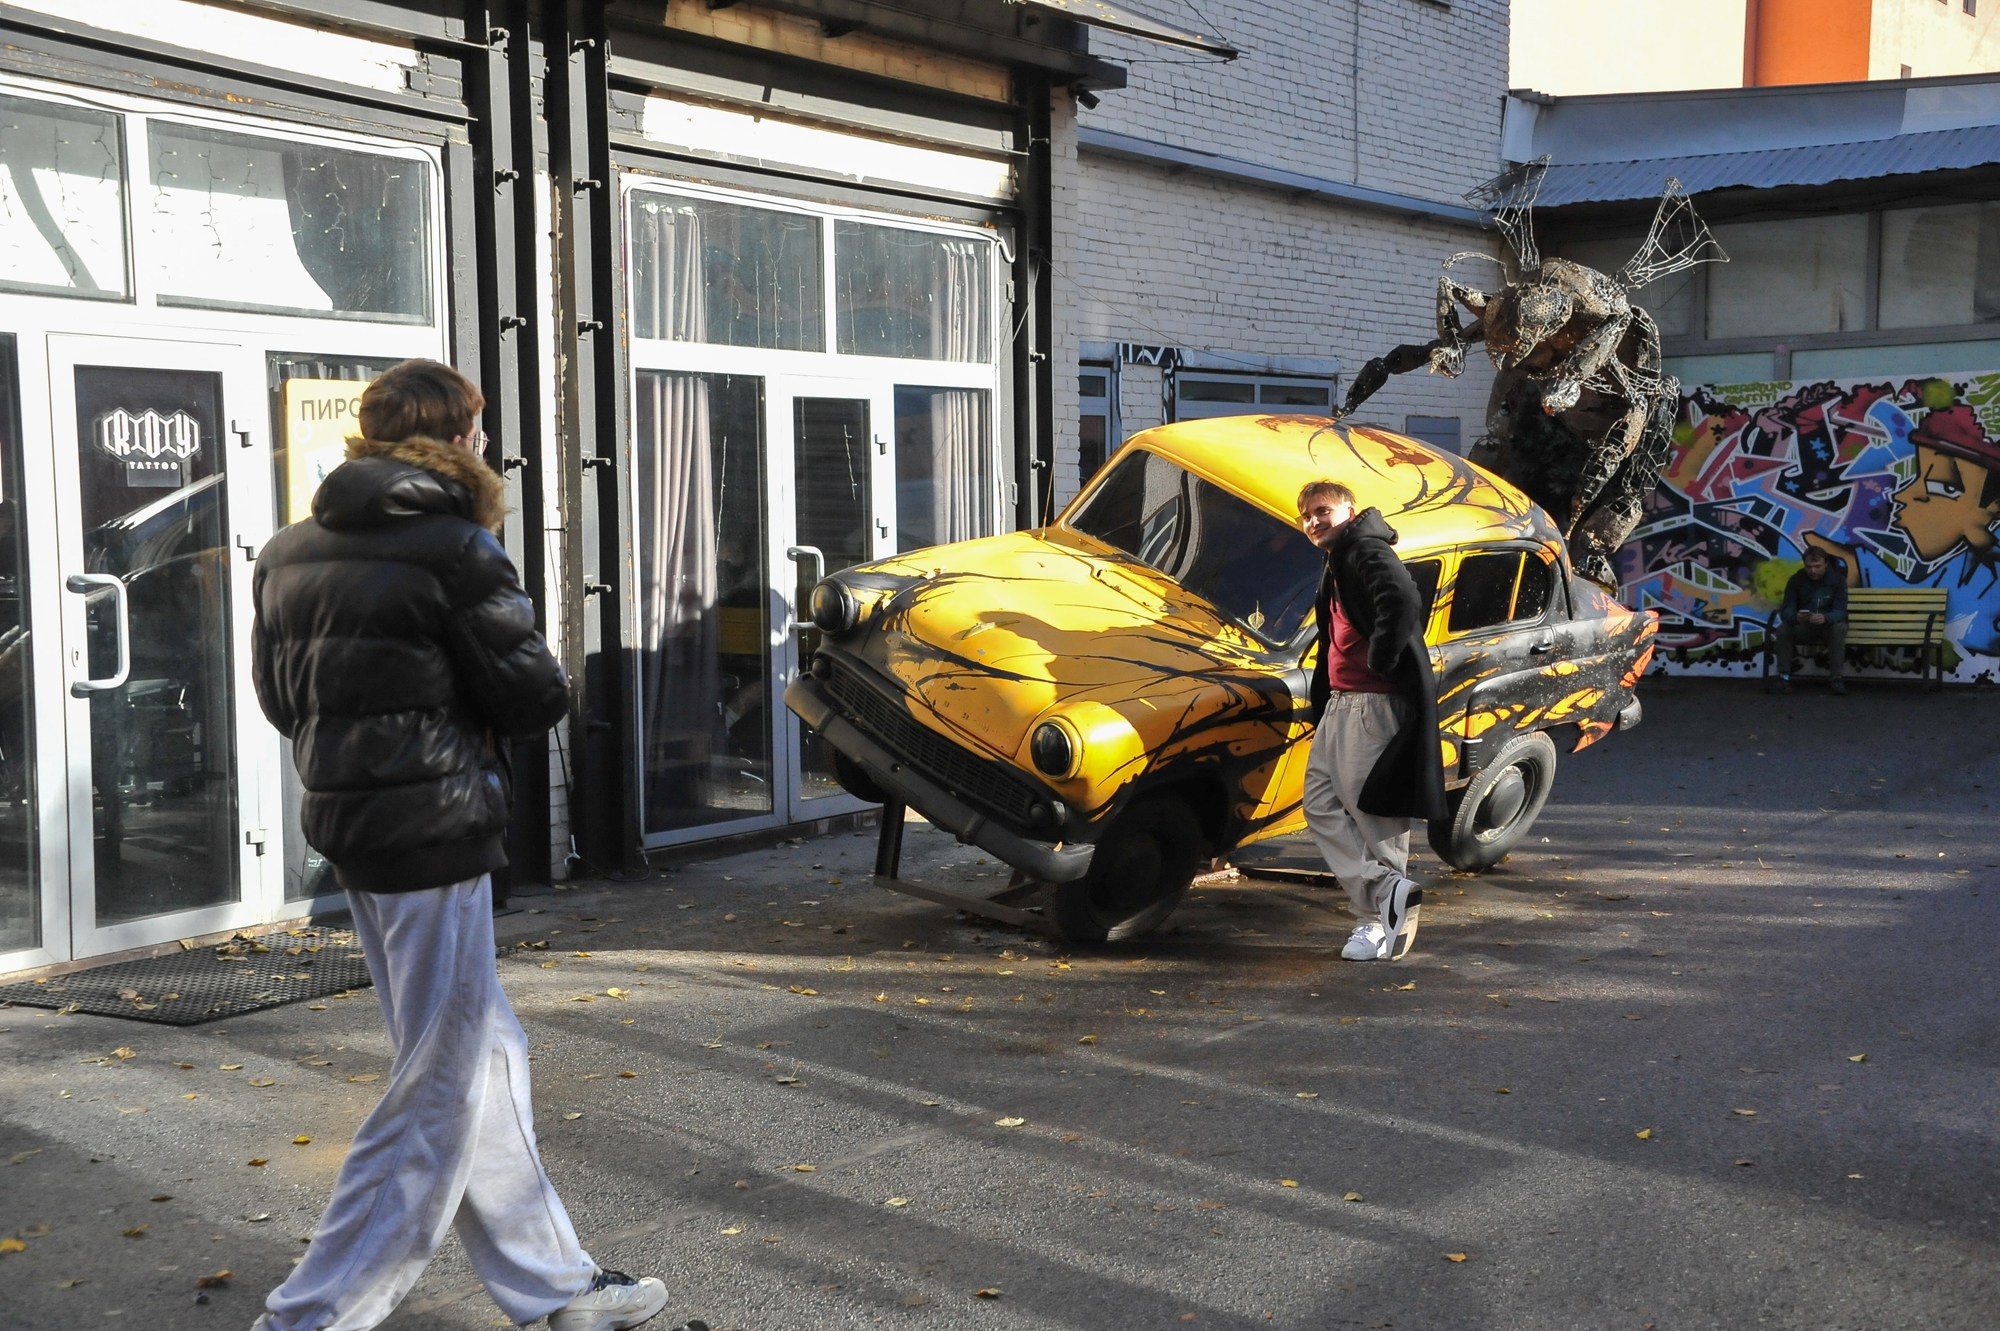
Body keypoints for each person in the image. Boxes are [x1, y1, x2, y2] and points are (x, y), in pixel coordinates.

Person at [249, 360, 673, 1331]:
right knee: (439, 1087)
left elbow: (284, 703)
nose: (485, 446)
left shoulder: (288, 548)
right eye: (477, 430)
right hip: (436, 834)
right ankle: (311, 1314)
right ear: (452, 439)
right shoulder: (456, 547)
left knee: (486, 1058)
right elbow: (532, 696)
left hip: (359, 835)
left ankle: (557, 1287)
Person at [1297, 480, 1448, 962]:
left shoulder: (1363, 547)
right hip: (1344, 703)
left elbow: (1401, 600)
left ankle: (1381, 925)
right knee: (1320, 805)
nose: (1314, 521)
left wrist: (1379, 661)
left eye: (1323, 510)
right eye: (1307, 515)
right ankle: (1387, 894)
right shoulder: (1342, 557)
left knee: (1375, 818)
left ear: (1349, 509)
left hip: (1369, 703)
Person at [1768, 546, 1849, 695]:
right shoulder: (1796, 580)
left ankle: (1837, 678)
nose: (1813, 571)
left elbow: (1841, 610)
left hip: (1829, 627)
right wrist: (1796, 617)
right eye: (1809, 567)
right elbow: (1787, 608)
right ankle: (1783, 678)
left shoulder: (1838, 580)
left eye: (1817, 566)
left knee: (1838, 628)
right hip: (1805, 626)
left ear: (1826, 564)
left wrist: (1826, 617)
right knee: (1783, 630)